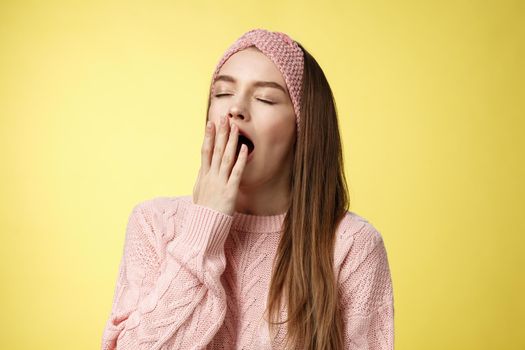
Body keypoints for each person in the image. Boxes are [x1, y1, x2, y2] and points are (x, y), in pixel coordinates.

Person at [100, 28, 394, 350]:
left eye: (265, 98)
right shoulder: (155, 224)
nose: (235, 108)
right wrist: (203, 227)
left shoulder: (352, 245)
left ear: (304, 127)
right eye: (222, 93)